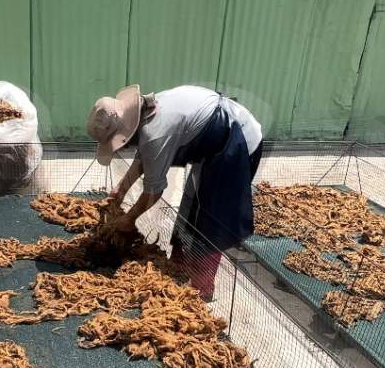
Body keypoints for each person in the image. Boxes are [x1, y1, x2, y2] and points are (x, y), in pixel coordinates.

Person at [86, 84, 264, 299]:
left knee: (212, 219)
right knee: (191, 205)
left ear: (126, 133)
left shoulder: (154, 133)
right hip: (212, 143)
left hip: (236, 141)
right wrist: (120, 190)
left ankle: (201, 289)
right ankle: (177, 267)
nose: (122, 148)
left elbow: (154, 190)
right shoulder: (144, 115)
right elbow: (144, 159)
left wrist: (130, 219)